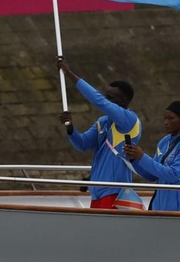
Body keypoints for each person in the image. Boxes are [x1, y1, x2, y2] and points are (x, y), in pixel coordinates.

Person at [56, 57, 142, 209]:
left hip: (115, 194)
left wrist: (69, 74)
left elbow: (99, 101)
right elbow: (82, 144)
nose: (105, 101)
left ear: (124, 100)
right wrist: (70, 127)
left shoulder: (130, 120)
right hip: (96, 192)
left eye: (110, 98)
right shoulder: (103, 122)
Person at [124, 101, 180, 212]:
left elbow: (173, 175)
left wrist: (142, 157)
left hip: (179, 206)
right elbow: (151, 176)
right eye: (164, 119)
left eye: (170, 118)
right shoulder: (164, 142)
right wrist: (134, 158)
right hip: (159, 204)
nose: (166, 122)